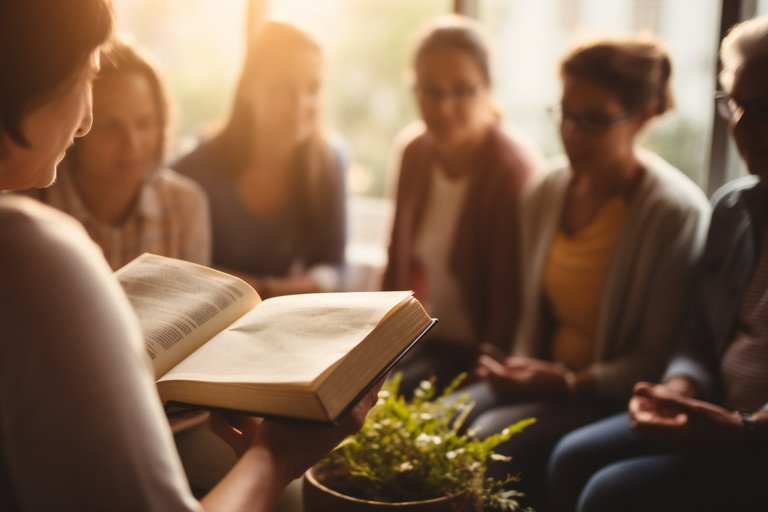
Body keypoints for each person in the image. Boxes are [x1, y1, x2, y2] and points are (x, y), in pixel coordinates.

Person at [0, 2, 376, 511]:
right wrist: (276, 455)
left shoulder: (320, 164)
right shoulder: (36, 252)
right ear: (32, 78)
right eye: (86, 75)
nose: (87, 120)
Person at [459, 34, 711, 510]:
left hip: (608, 396)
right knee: (441, 419)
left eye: (593, 120)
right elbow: (530, 324)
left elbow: (653, 358)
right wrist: (519, 368)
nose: (572, 133)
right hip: (544, 379)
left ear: (641, 116)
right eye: (566, 114)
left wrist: (563, 382)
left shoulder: (674, 214)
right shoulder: (545, 191)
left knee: (487, 442)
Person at [548, 16, 768, 512]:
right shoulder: (734, 211)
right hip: (716, 411)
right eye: (734, 104)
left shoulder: (674, 209)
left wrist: (743, 429)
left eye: (763, 109)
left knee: (608, 493)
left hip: (753, 437)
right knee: (571, 456)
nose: (740, 126)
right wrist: (679, 385)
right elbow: (696, 335)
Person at [382, 14, 543, 394]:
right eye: (431, 91)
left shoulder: (511, 170)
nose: (444, 107)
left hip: (477, 354)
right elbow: (395, 260)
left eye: (461, 90)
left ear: (487, 90)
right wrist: (376, 348)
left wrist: (482, 375)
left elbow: (513, 300)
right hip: (420, 336)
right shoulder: (413, 151)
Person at [173, 20, 346, 298]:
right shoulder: (194, 169)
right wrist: (267, 291)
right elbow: (184, 270)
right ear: (248, 89)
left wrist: (269, 291)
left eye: (312, 89)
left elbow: (333, 267)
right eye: (284, 87)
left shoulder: (330, 162)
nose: (300, 104)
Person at [26, 38, 211, 269]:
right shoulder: (27, 206)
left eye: (144, 124)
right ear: (78, 122)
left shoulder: (185, 206)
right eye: (110, 125)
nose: (131, 144)